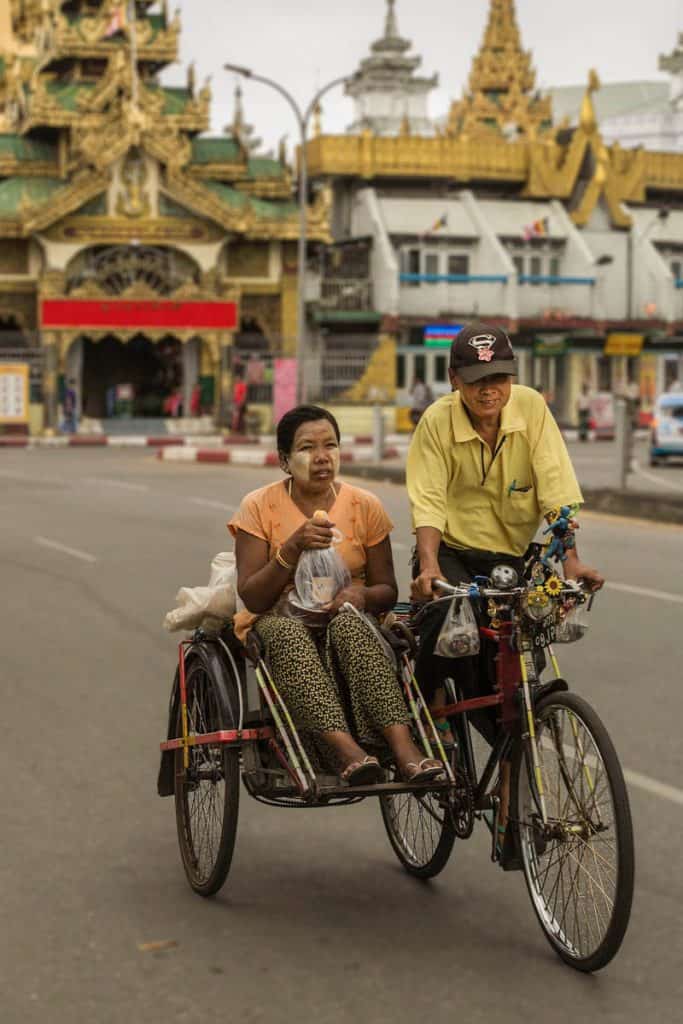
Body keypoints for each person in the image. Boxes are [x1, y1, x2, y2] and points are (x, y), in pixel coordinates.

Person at [406, 322, 604, 855]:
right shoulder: (437, 422)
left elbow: (558, 491)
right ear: (454, 380)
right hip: (451, 549)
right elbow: (427, 500)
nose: (488, 389)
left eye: (499, 377)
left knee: (519, 670)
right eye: (476, 379)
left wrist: (573, 561)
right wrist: (428, 568)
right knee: (449, 629)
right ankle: (421, 722)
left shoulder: (531, 409)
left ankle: (512, 799)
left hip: (511, 557)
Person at [230, 404, 444, 785]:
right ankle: (347, 752)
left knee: (349, 624)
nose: (322, 457)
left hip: (344, 619)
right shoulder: (258, 506)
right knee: (287, 634)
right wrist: (291, 550)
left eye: (330, 446)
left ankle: (405, 749)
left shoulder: (364, 505)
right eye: (307, 448)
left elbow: (386, 589)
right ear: (284, 460)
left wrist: (359, 597)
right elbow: (253, 598)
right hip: (280, 622)